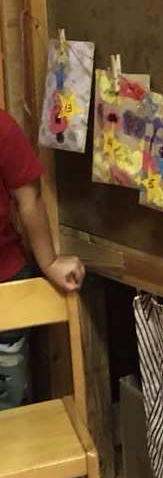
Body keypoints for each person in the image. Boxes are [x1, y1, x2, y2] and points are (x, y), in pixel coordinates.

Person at [0, 108, 84, 414]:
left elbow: (30, 199)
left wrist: (49, 263)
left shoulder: (2, 128)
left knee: (10, 405)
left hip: (7, 284)